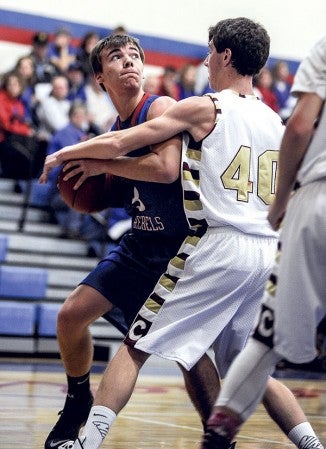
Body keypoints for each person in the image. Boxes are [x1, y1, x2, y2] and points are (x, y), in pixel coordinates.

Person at [40, 18, 322, 449]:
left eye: (210, 51)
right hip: (265, 249)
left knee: (138, 345)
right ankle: (310, 443)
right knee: (245, 366)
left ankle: (86, 443)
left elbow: (143, 159)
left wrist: (69, 152)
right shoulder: (273, 118)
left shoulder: (200, 106)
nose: (205, 61)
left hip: (214, 244)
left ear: (225, 56)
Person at [40, 33, 202, 449]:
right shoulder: (115, 128)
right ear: (100, 77)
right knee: (70, 316)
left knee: (192, 358)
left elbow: (165, 169)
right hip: (138, 243)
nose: (129, 61)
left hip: (178, 250)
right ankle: (78, 400)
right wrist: (91, 189)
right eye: (117, 56)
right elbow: (125, 186)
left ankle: (218, 437)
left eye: (135, 55)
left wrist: (101, 164)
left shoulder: (160, 108)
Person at [197, 35, 326, 449]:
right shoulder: (260, 112)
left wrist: (282, 199)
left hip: (313, 202)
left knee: (264, 340)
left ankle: (219, 432)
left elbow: (301, 126)